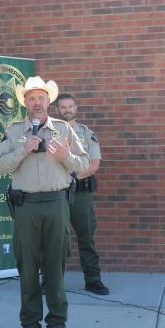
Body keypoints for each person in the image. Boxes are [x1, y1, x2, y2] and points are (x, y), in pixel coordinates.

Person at [0, 76, 90, 328]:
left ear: (49, 101)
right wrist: (21, 151)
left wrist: (66, 157)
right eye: (31, 98)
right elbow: (0, 167)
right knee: (26, 269)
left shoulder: (63, 130)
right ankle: (30, 327)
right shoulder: (14, 132)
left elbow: (83, 165)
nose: (37, 103)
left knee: (55, 269)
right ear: (25, 102)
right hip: (26, 208)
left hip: (57, 205)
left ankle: (57, 326)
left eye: (41, 98)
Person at [55, 93, 109, 296]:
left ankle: (93, 281)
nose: (67, 110)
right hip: (57, 194)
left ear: (76, 109)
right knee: (55, 240)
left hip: (81, 195)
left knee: (86, 238)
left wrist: (73, 176)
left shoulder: (87, 133)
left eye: (70, 106)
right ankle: (52, 282)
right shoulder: (49, 132)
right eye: (63, 107)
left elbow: (94, 164)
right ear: (57, 110)